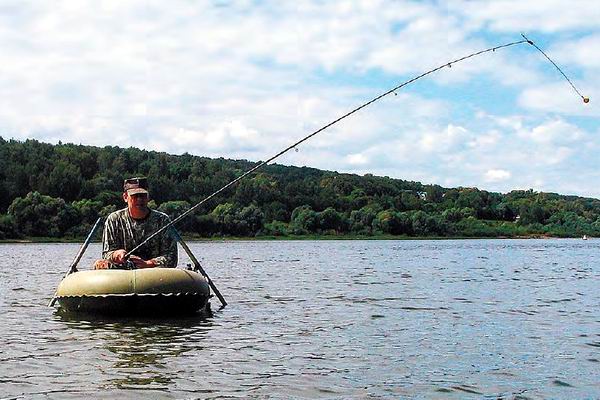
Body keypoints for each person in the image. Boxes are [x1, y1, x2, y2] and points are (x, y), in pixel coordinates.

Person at [94, 177, 178, 269]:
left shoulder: (162, 220)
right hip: (121, 271)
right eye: (135, 196)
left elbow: (171, 257)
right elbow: (107, 253)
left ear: (148, 197)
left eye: (142, 196)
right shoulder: (114, 219)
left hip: (154, 274)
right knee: (99, 264)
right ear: (125, 197)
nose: (139, 199)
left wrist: (148, 264)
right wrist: (117, 254)